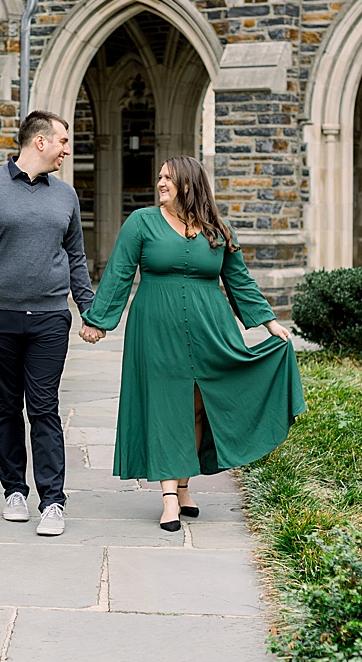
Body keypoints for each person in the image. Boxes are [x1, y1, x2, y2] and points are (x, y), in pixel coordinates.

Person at [78, 156, 304, 530]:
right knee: (167, 407)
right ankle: (169, 499)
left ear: (188, 184)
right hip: (156, 329)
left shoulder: (218, 229)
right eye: (160, 176)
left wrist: (268, 323)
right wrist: (99, 321)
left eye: (168, 177)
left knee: (199, 409)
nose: (160, 182)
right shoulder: (142, 222)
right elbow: (119, 271)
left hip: (211, 330)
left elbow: (240, 281)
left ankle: (184, 487)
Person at [0, 109, 96, 538]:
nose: (66, 151)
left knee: (44, 406)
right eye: (62, 142)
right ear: (39, 141)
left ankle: (52, 500)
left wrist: (88, 308)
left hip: (50, 317)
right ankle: (14, 491)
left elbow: (76, 256)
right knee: (5, 404)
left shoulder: (65, 195)